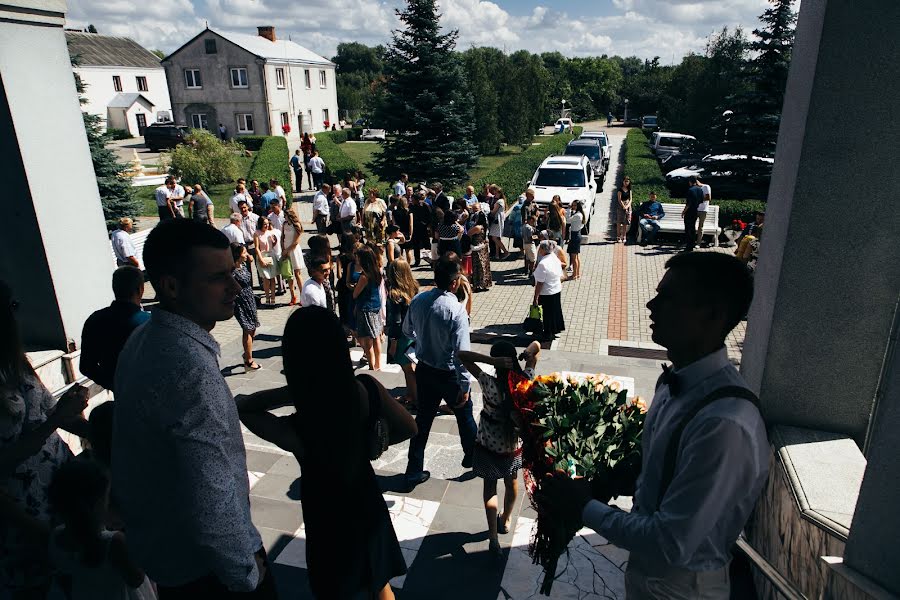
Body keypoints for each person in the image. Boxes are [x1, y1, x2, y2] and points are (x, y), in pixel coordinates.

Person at [541, 252, 766, 599]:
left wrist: (583, 507)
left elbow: (671, 541)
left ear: (712, 315)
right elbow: (659, 468)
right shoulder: (673, 381)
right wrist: (610, 479)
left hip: (686, 588)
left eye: (668, 297)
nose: (650, 304)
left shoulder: (724, 424)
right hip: (647, 574)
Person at [113, 220, 276, 598]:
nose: (236, 287)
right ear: (171, 286)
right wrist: (244, 573)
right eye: (219, 277)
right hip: (208, 573)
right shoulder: (188, 368)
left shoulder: (144, 337)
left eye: (233, 272)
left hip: (171, 558)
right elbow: (209, 490)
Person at [235, 306, 416, 600]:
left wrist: (297, 390)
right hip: (366, 502)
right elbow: (409, 427)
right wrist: (377, 440)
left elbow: (244, 407)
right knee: (379, 582)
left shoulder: (302, 428)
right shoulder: (367, 390)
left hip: (327, 520)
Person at [0, 281, 89, 598]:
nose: (15, 315)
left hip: (61, 498)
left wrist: (103, 432)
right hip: (26, 521)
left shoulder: (14, 360)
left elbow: (50, 410)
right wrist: (39, 533)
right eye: (10, 307)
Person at [458, 341, 541, 558]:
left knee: (490, 487)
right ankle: (505, 519)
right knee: (512, 482)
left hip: (488, 442)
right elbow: (536, 347)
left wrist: (489, 361)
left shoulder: (487, 382)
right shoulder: (525, 381)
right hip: (512, 444)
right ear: (513, 359)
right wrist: (526, 353)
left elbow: (462, 356)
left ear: (497, 362)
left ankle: (493, 537)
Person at [402, 253, 478, 490]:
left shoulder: (418, 300)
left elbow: (406, 330)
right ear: (455, 283)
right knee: (464, 415)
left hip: (425, 370)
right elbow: (462, 353)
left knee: (423, 421)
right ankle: (473, 456)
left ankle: (413, 470)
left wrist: (423, 341)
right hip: (449, 374)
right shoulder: (456, 311)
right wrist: (465, 384)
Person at [47, 459, 153, 600]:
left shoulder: (56, 538)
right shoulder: (114, 543)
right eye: (107, 497)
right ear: (97, 505)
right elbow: (136, 579)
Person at [80, 266, 151, 391]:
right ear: (140, 290)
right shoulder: (150, 323)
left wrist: (113, 384)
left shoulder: (94, 320)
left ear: (114, 289)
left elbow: (86, 366)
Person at [385, 259, 419, 406]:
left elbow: (396, 322)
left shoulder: (394, 294)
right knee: (410, 367)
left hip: (401, 337)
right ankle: (410, 394)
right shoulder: (414, 288)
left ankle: (414, 397)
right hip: (413, 334)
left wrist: (393, 343)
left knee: (407, 369)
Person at [349, 245, 384, 371]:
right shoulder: (377, 271)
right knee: (376, 337)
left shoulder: (364, 276)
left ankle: (371, 365)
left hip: (365, 308)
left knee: (367, 339)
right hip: (375, 306)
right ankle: (378, 364)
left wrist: (354, 286)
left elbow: (355, 294)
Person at [533, 240, 565, 340]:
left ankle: (548, 333)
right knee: (556, 311)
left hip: (547, 292)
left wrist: (535, 297)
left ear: (543, 249)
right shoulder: (554, 257)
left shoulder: (543, 263)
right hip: (556, 289)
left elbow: (540, 283)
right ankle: (556, 329)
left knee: (547, 313)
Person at [281, 204, 305, 306]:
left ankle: (303, 296)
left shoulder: (297, 225)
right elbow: (282, 237)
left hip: (294, 250)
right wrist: (283, 248)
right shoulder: (284, 224)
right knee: (288, 275)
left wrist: (287, 250)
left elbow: (296, 242)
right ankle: (292, 296)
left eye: (285, 215)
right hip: (285, 249)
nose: (284, 217)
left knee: (297, 274)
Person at [254, 217, 278, 306]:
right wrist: (260, 259)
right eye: (264, 224)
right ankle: (267, 297)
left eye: (267, 223)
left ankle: (273, 298)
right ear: (260, 224)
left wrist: (274, 241)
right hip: (262, 255)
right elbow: (256, 247)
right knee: (266, 278)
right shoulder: (257, 234)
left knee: (272, 278)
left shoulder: (270, 233)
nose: (266, 225)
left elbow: (274, 245)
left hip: (271, 255)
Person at [468, 211, 492, 291]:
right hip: (483, 248)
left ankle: (477, 285)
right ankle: (485, 284)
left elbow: (468, 233)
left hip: (477, 249)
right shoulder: (484, 226)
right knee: (484, 266)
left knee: (477, 267)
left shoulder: (477, 227)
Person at [410, 192, 432, 267]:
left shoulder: (425, 205)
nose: (411, 201)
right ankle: (417, 261)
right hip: (415, 228)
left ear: (417, 200)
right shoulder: (412, 206)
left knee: (427, 245)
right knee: (416, 246)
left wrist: (428, 226)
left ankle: (430, 260)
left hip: (424, 228)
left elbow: (430, 216)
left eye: (413, 199)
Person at [682, 176, 704, 252]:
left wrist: (683, 212)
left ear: (690, 182)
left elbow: (688, 203)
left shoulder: (690, 190)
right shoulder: (700, 190)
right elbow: (701, 200)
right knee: (692, 228)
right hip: (696, 211)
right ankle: (692, 244)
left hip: (689, 212)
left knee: (688, 229)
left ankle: (689, 246)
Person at [566, 200, 586, 280]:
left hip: (575, 236)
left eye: (574, 205)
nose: (573, 207)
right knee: (576, 256)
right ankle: (577, 273)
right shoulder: (580, 214)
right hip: (577, 234)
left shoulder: (577, 215)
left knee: (574, 257)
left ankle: (574, 275)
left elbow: (567, 220)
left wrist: (568, 210)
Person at [488, 189, 509, 260]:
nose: (495, 194)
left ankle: (506, 252)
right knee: (497, 238)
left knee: (494, 237)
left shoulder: (499, 201)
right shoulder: (502, 200)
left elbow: (493, 212)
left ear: (500, 193)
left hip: (497, 221)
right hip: (499, 220)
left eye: (496, 193)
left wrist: (486, 210)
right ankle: (497, 255)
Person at [696, 177, 712, 247]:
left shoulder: (706, 187)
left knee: (700, 227)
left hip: (703, 210)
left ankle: (698, 243)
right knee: (691, 225)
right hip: (695, 209)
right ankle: (691, 242)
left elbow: (708, 198)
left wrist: (698, 198)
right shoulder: (694, 188)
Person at [617, 176, 633, 243]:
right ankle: (618, 236)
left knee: (625, 223)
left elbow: (631, 199)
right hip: (621, 207)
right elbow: (619, 199)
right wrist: (623, 206)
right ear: (623, 182)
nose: (626, 183)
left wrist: (627, 206)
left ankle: (624, 236)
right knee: (619, 222)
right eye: (625, 181)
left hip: (628, 207)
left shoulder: (629, 190)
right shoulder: (620, 190)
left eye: (627, 181)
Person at [522, 213, 538, 277]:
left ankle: (526, 270)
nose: (534, 223)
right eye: (534, 221)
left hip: (525, 244)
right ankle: (531, 272)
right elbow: (530, 237)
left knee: (527, 258)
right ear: (531, 220)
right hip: (530, 244)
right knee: (533, 259)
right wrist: (537, 237)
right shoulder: (529, 228)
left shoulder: (523, 226)